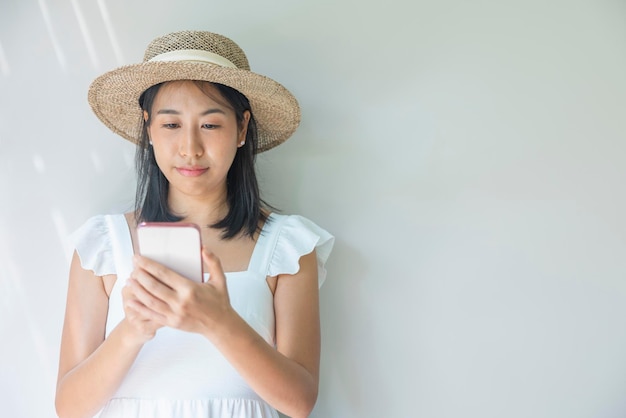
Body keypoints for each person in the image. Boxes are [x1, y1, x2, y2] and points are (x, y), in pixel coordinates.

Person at [55, 30, 334, 418]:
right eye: (171, 125)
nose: (190, 148)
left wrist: (219, 322)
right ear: (148, 127)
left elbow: (299, 402)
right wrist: (133, 330)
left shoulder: (287, 245)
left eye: (210, 125)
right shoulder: (103, 245)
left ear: (241, 128)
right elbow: (68, 408)